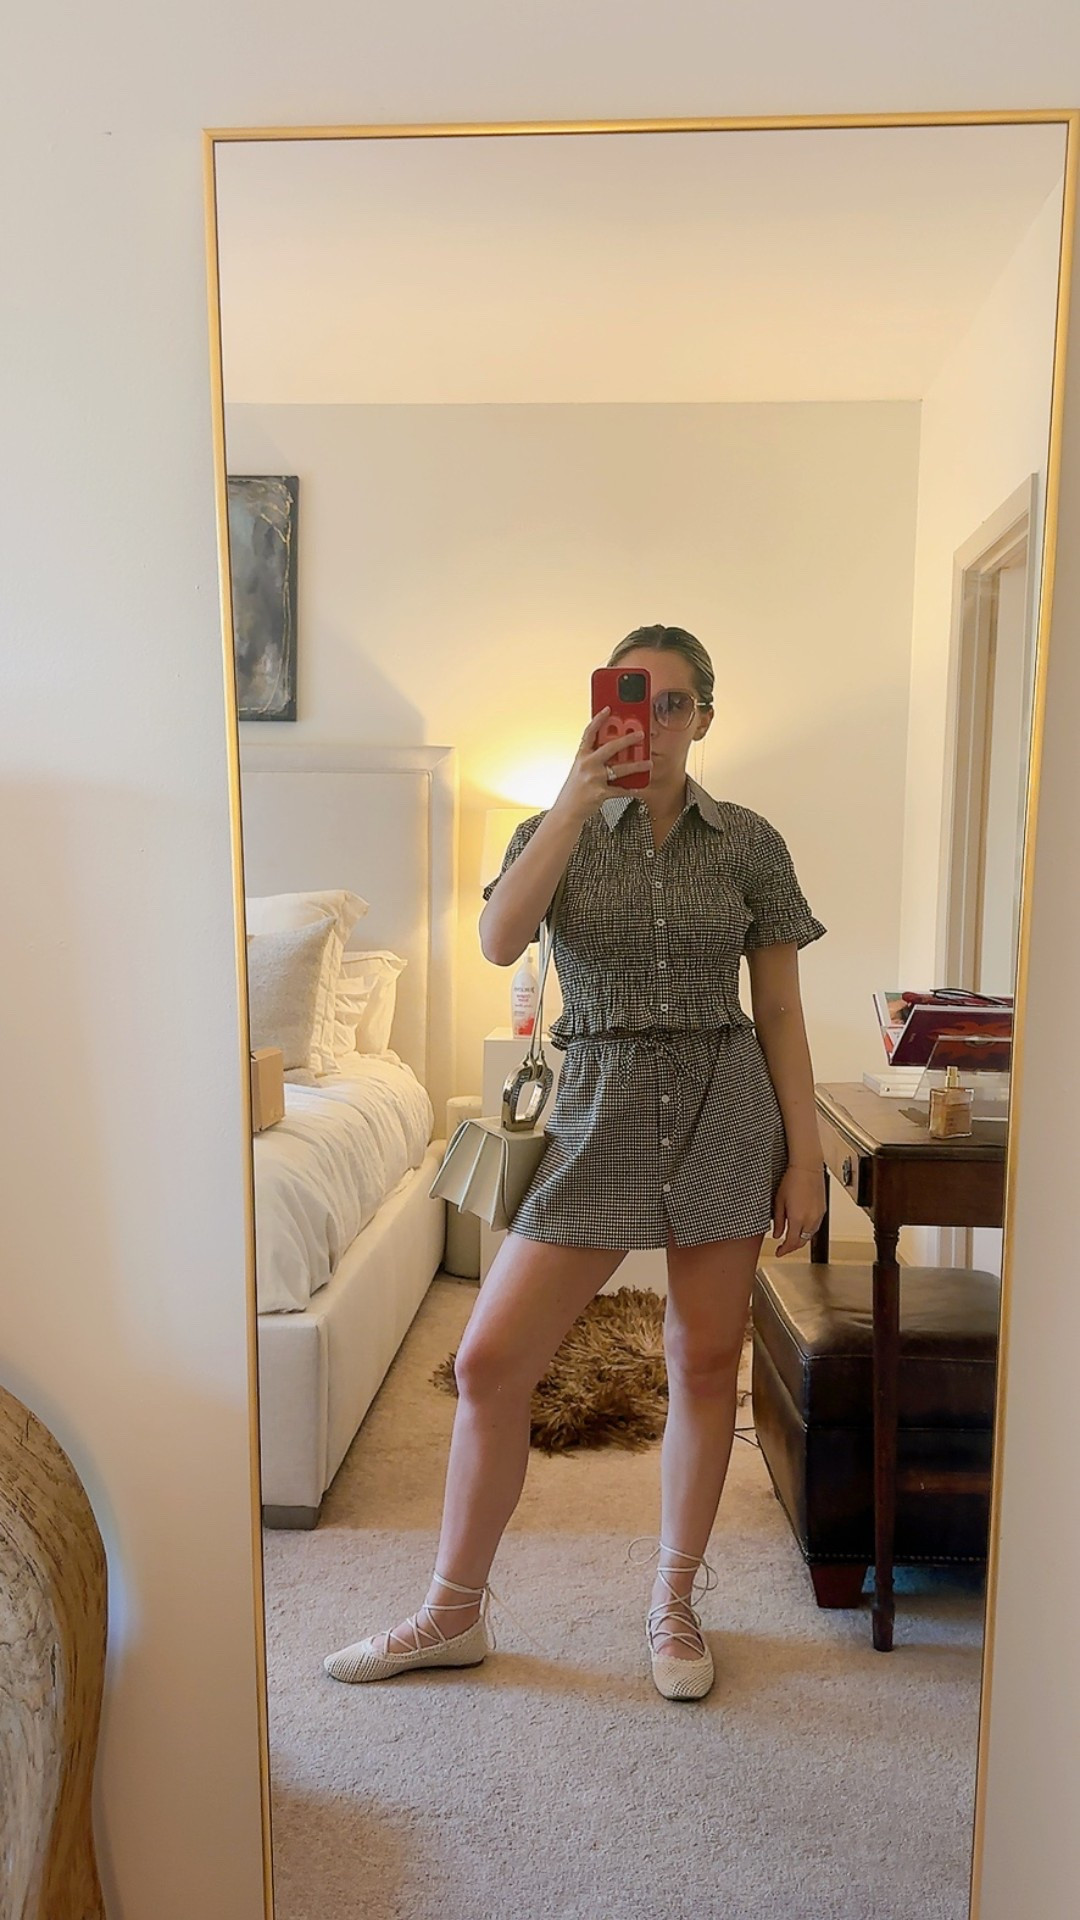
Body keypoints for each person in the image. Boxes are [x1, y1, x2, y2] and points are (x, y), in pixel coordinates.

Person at [325, 624, 827, 1700]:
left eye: (676, 702)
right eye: (633, 695)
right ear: (603, 705)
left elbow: (781, 1009)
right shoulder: (550, 828)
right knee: (488, 1363)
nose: (655, 718)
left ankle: (674, 1604)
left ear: (705, 718)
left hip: (725, 1107)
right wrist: (569, 804)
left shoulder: (749, 842)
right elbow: (500, 940)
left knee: (704, 1362)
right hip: (596, 1107)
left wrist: (808, 1155)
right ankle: (452, 1612)